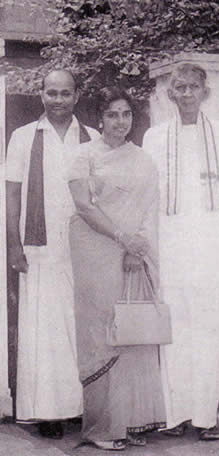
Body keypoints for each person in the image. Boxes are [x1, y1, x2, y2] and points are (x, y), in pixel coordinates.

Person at [143, 63, 219, 441]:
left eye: (193, 87)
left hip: (212, 244)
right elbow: (148, 195)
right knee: (175, 331)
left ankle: (205, 417)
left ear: (205, 92)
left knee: (211, 329)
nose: (186, 94)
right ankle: (174, 414)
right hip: (170, 244)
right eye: (179, 88)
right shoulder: (154, 137)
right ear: (170, 94)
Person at [68, 87, 165, 451]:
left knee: (132, 330)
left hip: (133, 253)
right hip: (95, 249)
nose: (120, 122)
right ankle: (103, 427)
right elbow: (84, 206)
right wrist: (124, 238)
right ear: (100, 118)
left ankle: (132, 423)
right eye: (112, 114)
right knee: (101, 332)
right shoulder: (84, 155)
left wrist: (136, 248)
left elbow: (149, 208)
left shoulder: (143, 159)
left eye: (126, 114)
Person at [6, 69, 99, 439]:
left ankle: (80, 406)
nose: (58, 99)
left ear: (77, 95)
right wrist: (13, 243)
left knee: (80, 325)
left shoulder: (91, 138)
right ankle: (48, 411)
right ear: (41, 95)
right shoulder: (23, 137)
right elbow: (12, 195)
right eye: (51, 93)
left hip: (84, 246)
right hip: (39, 246)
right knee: (44, 327)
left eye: (65, 93)